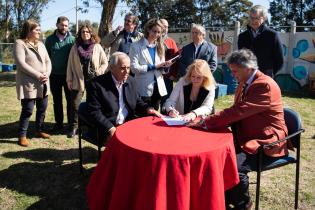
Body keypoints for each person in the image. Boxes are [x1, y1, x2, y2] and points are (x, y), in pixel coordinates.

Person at [189, 49, 289, 210]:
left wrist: (204, 122)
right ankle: (222, 198)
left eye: (235, 71)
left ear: (248, 67)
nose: (232, 74)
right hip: (246, 135)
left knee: (233, 167)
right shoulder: (246, 82)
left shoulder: (264, 85)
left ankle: (243, 204)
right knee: (215, 158)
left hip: (266, 141)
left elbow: (237, 111)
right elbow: (236, 110)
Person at [86, 52, 161, 142]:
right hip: (107, 127)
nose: (126, 72)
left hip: (128, 124)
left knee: (149, 138)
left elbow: (137, 101)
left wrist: (148, 109)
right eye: (122, 68)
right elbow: (94, 112)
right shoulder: (96, 84)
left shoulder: (131, 81)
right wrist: (110, 128)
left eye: (128, 68)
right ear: (112, 68)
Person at [13, 19, 52, 147]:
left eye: (39, 29)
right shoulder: (20, 43)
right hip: (28, 83)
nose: (39, 32)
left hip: (43, 82)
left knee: (42, 108)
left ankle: (38, 130)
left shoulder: (41, 44)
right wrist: (38, 75)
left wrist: (47, 73)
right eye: (37, 30)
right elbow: (21, 63)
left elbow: (47, 61)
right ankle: (22, 135)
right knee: (28, 110)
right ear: (29, 30)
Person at [66, 24, 108, 138]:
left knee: (93, 104)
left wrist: (99, 71)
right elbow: (69, 65)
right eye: (83, 32)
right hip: (78, 80)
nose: (85, 33)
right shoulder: (75, 47)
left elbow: (105, 62)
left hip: (94, 80)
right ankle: (74, 127)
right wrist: (69, 79)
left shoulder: (97, 47)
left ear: (91, 34)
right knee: (75, 105)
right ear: (80, 34)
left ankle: (89, 125)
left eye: (87, 32)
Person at [129, 18, 172, 110]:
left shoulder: (160, 46)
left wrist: (165, 67)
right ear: (148, 29)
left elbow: (162, 70)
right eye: (154, 31)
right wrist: (153, 67)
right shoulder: (136, 46)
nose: (156, 34)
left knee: (155, 117)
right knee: (142, 117)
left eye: (159, 32)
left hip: (158, 88)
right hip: (143, 88)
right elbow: (133, 68)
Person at [45, 16, 75, 133]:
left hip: (68, 76)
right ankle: (58, 124)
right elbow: (46, 57)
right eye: (62, 25)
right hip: (54, 76)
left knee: (70, 101)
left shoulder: (72, 40)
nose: (64, 27)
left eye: (66, 25)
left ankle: (70, 124)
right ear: (57, 25)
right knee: (57, 101)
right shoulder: (49, 40)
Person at [238, 5, 284, 78]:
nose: (253, 21)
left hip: (266, 76)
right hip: (247, 76)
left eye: (256, 18)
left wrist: (270, 73)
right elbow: (240, 58)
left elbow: (279, 60)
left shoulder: (272, 35)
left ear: (264, 18)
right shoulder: (242, 36)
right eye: (251, 18)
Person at [160, 18, 179, 109]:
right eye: (164, 26)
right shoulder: (152, 39)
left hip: (167, 77)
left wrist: (173, 74)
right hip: (154, 77)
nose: (165, 29)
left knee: (166, 102)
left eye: (167, 27)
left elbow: (176, 59)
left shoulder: (171, 41)